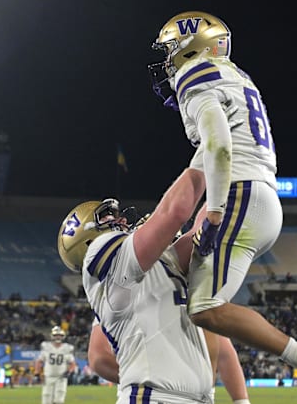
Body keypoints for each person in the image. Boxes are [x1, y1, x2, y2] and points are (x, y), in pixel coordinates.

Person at [149, 11, 297, 402]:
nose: (168, 62)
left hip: (239, 194)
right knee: (186, 284)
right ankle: (204, 385)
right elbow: (207, 155)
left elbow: (218, 143)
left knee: (204, 307)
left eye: (171, 51)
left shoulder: (195, 75)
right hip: (262, 198)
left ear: (191, 46)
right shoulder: (236, 77)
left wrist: (214, 210)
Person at [58, 168, 218, 403]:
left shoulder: (149, 265)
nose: (122, 219)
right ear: (86, 241)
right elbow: (175, 211)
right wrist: (208, 151)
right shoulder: (100, 255)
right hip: (155, 397)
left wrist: (223, 180)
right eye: (108, 218)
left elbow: (200, 233)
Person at [88, 321, 252, 403]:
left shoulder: (202, 288)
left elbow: (224, 353)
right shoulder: (124, 286)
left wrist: (242, 401)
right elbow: (98, 357)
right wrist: (149, 378)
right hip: (150, 397)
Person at [34, 326, 77, 404]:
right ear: (52, 336)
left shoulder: (67, 348)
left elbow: (73, 363)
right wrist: (37, 373)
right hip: (48, 376)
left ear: (63, 336)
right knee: (46, 399)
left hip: (61, 377)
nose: (58, 337)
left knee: (59, 400)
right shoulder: (46, 347)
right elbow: (39, 361)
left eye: (59, 335)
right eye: (56, 335)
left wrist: (69, 371)